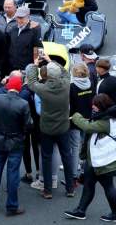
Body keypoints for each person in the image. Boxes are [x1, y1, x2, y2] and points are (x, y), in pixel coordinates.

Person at [64, 94, 116, 223]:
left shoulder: (105, 121)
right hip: (96, 160)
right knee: (88, 184)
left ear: (102, 106)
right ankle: (80, 211)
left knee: (108, 187)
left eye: (95, 105)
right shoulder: (106, 115)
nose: (92, 106)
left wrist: (76, 116)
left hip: (104, 162)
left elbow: (87, 127)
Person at [26, 57, 75, 198]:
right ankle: (70, 188)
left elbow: (31, 81)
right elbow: (66, 72)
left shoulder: (43, 89)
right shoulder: (66, 85)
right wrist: (51, 60)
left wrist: (34, 65)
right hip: (63, 127)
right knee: (67, 156)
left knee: (46, 158)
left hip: (47, 128)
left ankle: (47, 190)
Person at [0, 74, 31, 216]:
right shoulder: (23, 104)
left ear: (8, 85)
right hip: (16, 142)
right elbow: (28, 126)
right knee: (13, 174)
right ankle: (11, 206)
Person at [69, 63, 94, 181]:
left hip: (74, 121)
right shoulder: (91, 84)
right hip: (88, 119)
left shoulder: (72, 87)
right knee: (86, 146)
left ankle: (73, 175)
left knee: (74, 147)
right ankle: (84, 172)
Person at [7, 6, 42, 72]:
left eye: (21, 18)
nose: (19, 20)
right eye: (18, 17)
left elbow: (39, 49)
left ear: (28, 17)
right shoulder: (13, 29)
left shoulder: (34, 30)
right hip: (12, 69)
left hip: (26, 70)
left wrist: (36, 66)